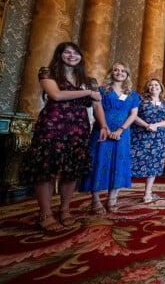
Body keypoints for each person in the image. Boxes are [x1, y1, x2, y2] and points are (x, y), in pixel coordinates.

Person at [20, 42, 104, 231]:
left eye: (75, 52)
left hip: (78, 127)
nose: (71, 55)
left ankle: (65, 210)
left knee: (71, 170)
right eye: (67, 52)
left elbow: (97, 106)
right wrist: (90, 93)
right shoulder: (47, 73)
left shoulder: (89, 80)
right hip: (53, 125)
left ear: (81, 57)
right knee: (47, 169)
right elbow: (56, 95)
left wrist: (104, 125)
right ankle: (45, 214)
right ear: (59, 55)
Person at [79, 62, 139, 214]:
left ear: (127, 74)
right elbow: (96, 109)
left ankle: (112, 199)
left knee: (119, 163)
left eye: (123, 70)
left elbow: (133, 114)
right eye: (116, 70)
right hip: (102, 130)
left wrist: (120, 129)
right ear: (111, 72)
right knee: (97, 162)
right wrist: (105, 126)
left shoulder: (133, 94)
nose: (119, 73)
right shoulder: (101, 90)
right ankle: (96, 200)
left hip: (122, 133)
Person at [131, 78, 165, 203]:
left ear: (161, 88)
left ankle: (147, 192)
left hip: (158, 137)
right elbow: (133, 115)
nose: (153, 86)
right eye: (150, 85)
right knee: (133, 160)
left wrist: (155, 125)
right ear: (147, 88)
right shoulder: (140, 100)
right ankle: (117, 191)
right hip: (140, 135)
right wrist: (146, 125)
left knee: (154, 164)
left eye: (156, 84)